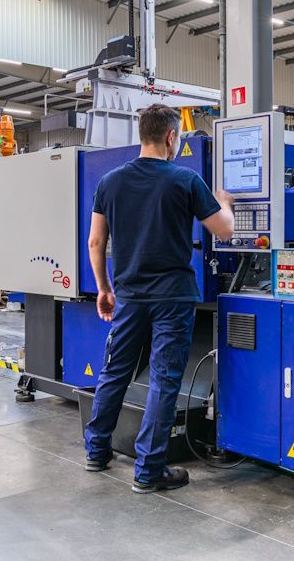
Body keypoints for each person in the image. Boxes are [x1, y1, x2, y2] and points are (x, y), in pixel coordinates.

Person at [83, 103, 235, 494]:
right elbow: (224, 231)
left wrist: (104, 288)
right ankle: (149, 470)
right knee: (164, 379)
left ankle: (96, 451)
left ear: (142, 134)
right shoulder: (184, 179)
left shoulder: (110, 182)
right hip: (173, 296)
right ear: (171, 137)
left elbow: (96, 242)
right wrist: (225, 204)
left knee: (115, 371)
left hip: (128, 295)